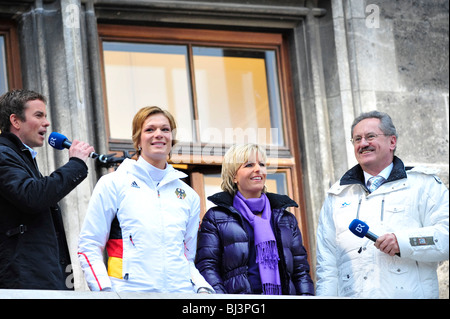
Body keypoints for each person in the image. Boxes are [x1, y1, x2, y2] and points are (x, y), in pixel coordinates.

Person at [78, 106, 214, 293]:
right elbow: (89, 245)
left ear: (171, 139)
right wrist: (105, 292)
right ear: (138, 139)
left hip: (181, 294)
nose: (158, 134)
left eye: (165, 130)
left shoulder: (188, 195)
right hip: (129, 293)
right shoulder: (114, 183)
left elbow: (187, 258)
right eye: (150, 129)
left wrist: (202, 288)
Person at [316, 110, 449, 298]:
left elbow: (446, 236)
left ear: (392, 142)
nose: (363, 144)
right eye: (357, 139)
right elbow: (327, 267)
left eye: (370, 136)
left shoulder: (423, 185)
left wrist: (403, 242)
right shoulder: (336, 197)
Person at [0, 89, 95, 290]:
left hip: (38, 281)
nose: (47, 123)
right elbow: (32, 196)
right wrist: (76, 163)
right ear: (15, 121)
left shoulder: (21, 158)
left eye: (46, 116)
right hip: (22, 284)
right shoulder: (3, 154)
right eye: (39, 115)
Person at [195, 143, 314, 295]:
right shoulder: (216, 218)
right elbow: (207, 267)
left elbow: (301, 271)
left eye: (262, 164)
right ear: (234, 176)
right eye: (249, 165)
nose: (258, 169)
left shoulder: (286, 219)